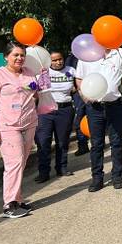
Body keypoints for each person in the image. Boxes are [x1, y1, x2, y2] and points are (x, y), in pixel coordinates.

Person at [0, 41, 38, 218]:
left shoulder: (30, 73)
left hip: (29, 123)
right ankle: (10, 204)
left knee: (21, 162)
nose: (19, 58)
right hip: (7, 125)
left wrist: (41, 80)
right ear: (6, 56)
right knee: (14, 163)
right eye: (15, 55)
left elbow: (37, 94)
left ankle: (18, 199)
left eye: (22, 55)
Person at [75, 43, 122, 192]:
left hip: (115, 105)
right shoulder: (86, 56)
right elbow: (79, 79)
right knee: (96, 144)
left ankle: (117, 177)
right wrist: (84, 96)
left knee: (117, 142)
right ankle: (97, 178)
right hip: (95, 107)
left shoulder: (120, 53)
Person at [34, 50, 76, 182]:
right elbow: (35, 89)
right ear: (49, 61)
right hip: (45, 111)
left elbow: (76, 87)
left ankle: (61, 167)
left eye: (60, 59)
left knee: (62, 141)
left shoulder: (71, 70)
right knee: (43, 141)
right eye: (54, 60)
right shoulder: (43, 72)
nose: (58, 62)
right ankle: (43, 172)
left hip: (65, 110)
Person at [65, 54, 89, 156]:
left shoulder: (92, 55)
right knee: (79, 119)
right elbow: (67, 74)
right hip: (78, 94)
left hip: (92, 90)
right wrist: (73, 87)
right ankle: (83, 145)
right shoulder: (71, 58)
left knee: (95, 117)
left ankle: (98, 141)